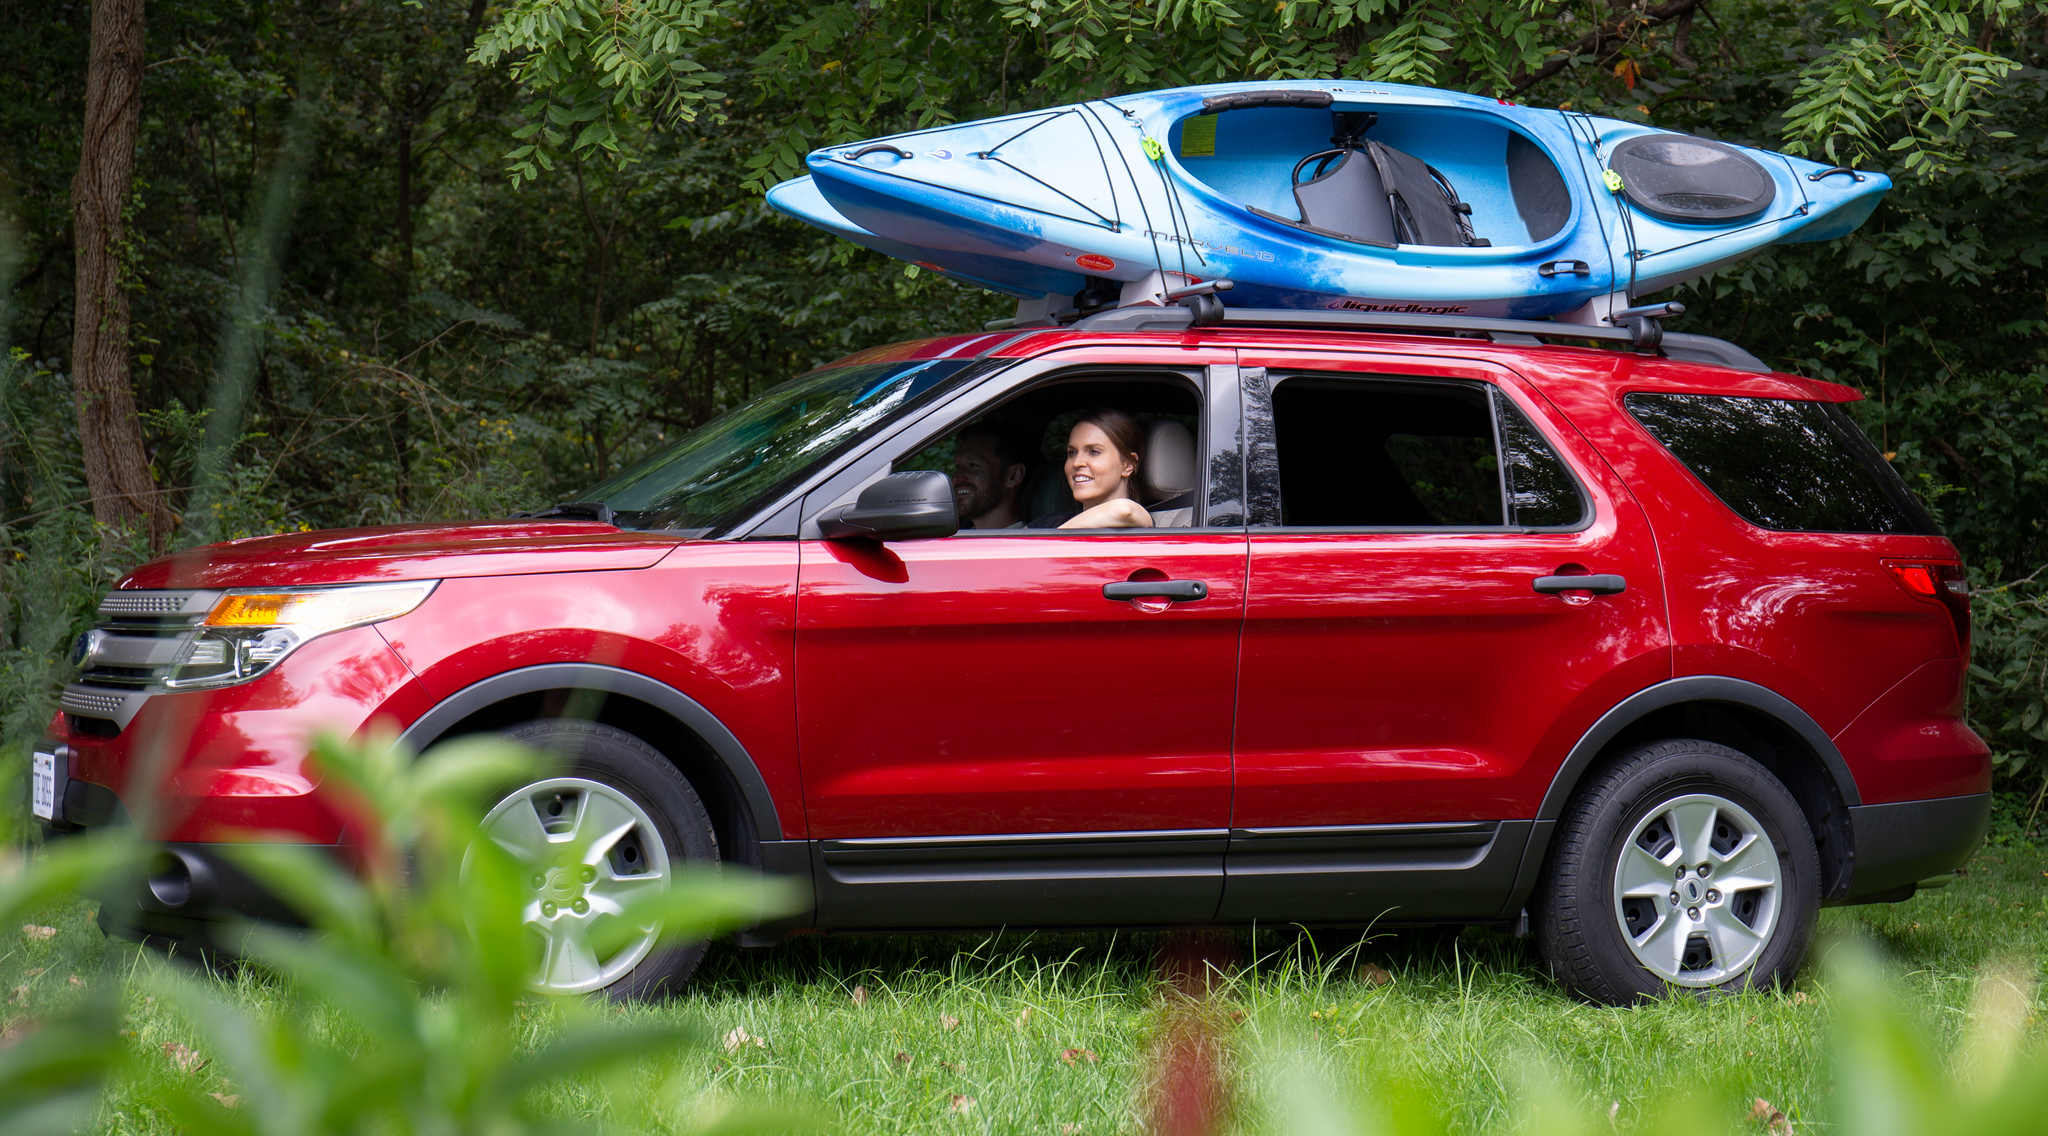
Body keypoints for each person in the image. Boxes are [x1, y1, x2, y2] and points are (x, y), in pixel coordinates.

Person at [1030, 408, 1153, 529]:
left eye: (1094, 452)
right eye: (1072, 452)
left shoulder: (1140, 522)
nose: (1077, 463)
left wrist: (1054, 538)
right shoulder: (1045, 524)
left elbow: (1124, 510)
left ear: (1128, 465)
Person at [951, 421, 1034, 529]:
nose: (957, 477)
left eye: (973, 465)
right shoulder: (956, 541)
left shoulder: (1033, 544)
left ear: (1014, 476)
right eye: (957, 466)